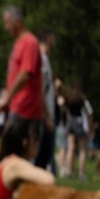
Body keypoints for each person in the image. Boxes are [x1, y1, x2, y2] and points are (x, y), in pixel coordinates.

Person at [0, 7, 45, 153]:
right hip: (17, 107)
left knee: (13, 155)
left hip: (25, 110)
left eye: (7, 22)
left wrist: (8, 97)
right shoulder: (19, 43)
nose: (6, 27)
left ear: (17, 21)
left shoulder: (30, 42)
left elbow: (25, 74)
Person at [34, 29, 58, 172]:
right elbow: (40, 89)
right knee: (40, 158)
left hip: (45, 114)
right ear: (48, 39)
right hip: (43, 116)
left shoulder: (45, 59)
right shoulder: (42, 59)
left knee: (43, 158)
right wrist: (48, 116)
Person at [62, 81, 92, 181]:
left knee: (70, 148)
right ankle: (81, 174)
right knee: (82, 150)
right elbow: (87, 112)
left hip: (70, 121)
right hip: (79, 122)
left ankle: (69, 171)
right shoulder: (81, 97)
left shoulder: (68, 96)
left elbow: (64, 107)